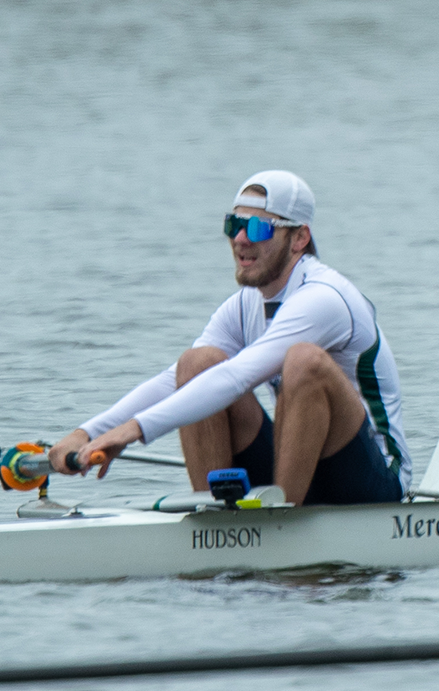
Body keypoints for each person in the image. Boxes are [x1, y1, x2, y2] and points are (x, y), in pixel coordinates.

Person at [49, 171, 411, 505]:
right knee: (196, 364)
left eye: (257, 228)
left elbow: (235, 378)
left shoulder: (324, 298)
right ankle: (215, 522)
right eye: (234, 225)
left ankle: (281, 522)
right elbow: (174, 381)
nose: (240, 239)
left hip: (373, 476)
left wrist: (133, 432)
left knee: (304, 360)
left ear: (299, 238)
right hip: (300, 466)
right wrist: (89, 432)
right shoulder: (243, 305)